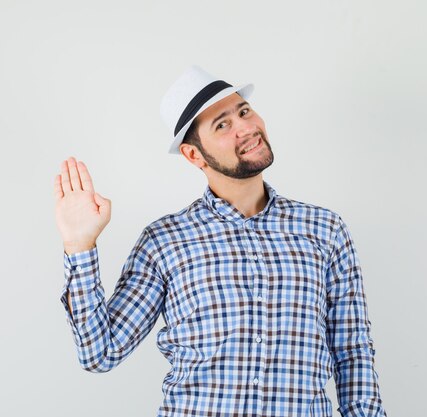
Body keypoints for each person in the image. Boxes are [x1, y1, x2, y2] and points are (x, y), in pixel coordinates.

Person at [53, 65, 388, 417]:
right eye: (222, 125)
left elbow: (352, 353)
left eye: (243, 111)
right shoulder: (165, 241)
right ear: (193, 155)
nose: (246, 128)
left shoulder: (325, 230)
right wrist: (80, 245)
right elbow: (100, 353)